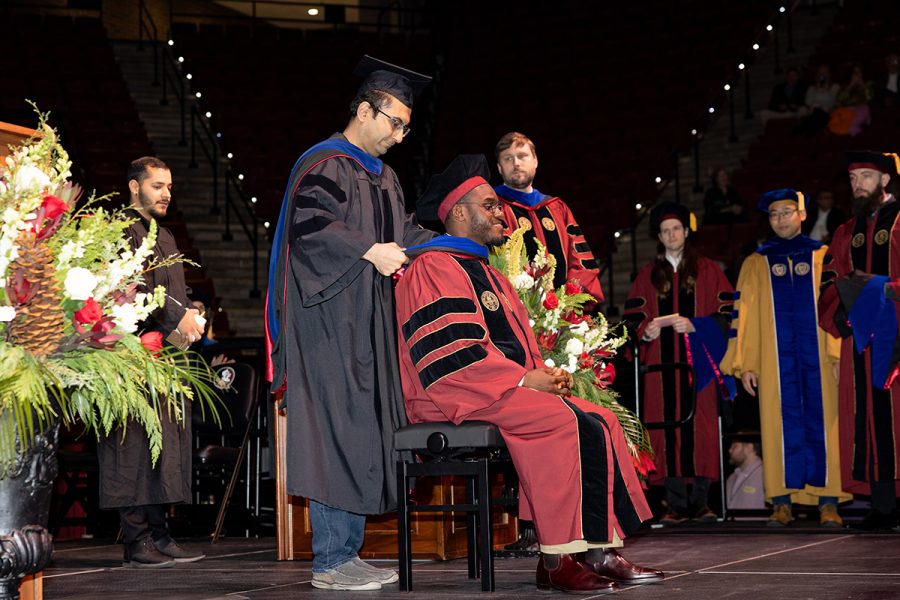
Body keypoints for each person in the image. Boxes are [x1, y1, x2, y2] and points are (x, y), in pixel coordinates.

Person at [396, 155, 663, 594]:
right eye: (489, 205)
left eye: (498, 206)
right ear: (458, 212)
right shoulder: (433, 266)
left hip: (494, 389)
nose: (500, 211)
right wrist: (523, 380)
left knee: (603, 419)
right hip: (453, 393)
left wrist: (542, 374)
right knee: (562, 421)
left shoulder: (486, 271)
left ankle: (598, 548)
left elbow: (516, 346)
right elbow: (450, 354)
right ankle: (556, 557)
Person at [264, 56, 436, 591]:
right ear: (366, 109)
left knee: (361, 434)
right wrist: (368, 250)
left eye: (407, 126)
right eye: (395, 122)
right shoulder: (325, 165)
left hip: (365, 324)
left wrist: (453, 245)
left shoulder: (384, 177)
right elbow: (311, 230)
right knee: (333, 432)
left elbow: (406, 232)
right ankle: (329, 561)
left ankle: (348, 553)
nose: (400, 136)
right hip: (327, 324)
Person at [97, 157, 207, 568]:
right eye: (157, 186)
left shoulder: (166, 235)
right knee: (133, 448)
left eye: (169, 187)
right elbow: (133, 290)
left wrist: (192, 312)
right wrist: (178, 318)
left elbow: (176, 290)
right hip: (130, 352)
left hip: (164, 354)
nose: (166, 194)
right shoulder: (120, 231)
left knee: (161, 445)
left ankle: (159, 533)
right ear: (133, 186)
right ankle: (136, 538)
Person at [721, 188, 850, 527]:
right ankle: (781, 502)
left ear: (802, 215)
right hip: (774, 363)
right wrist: (746, 363)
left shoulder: (823, 257)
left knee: (825, 428)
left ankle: (828, 503)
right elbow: (744, 317)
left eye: (787, 212)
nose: (780, 219)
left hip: (819, 360)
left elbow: (834, 309)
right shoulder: (757, 262)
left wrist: (837, 355)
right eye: (774, 214)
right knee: (777, 428)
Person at [624, 202, 735, 524]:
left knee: (699, 428)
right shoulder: (647, 274)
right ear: (659, 236)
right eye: (665, 230)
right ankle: (674, 504)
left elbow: (728, 312)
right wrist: (646, 331)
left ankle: (701, 503)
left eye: (676, 228)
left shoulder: (709, 270)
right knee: (665, 427)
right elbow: (632, 320)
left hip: (697, 362)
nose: (671, 234)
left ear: (686, 232)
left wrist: (698, 324)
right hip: (660, 367)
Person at [818, 151, 900, 530]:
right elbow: (831, 283)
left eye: (866, 176)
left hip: (896, 336)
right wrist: (845, 314)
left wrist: (882, 291)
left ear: (884, 181)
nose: (858, 184)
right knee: (868, 419)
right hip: (861, 342)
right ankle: (882, 507)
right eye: (853, 179)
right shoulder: (844, 232)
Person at [493, 132, 604, 304]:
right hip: (517, 310)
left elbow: (580, 261)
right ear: (499, 167)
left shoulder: (557, 208)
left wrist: (568, 302)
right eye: (508, 158)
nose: (516, 163)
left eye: (522, 156)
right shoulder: (493, 208)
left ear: (535, 161)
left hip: (562, 315)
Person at [724, 431, 765, 510]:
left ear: (748, 448)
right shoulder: (731, 478)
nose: (730, 450)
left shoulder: (765, 475)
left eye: (734, 446)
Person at [795, 65, 839, 136]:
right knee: (813, 111)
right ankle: (810, 130)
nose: (823, 75)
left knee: (821, 111)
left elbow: (832, 102)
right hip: (813, 110)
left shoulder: (834, 87)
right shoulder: (812, 88)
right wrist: (817, 90)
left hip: (826, 111)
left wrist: (826, 90)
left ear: (829, 74)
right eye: (820, 73)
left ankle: (805, 127)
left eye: (825, 73)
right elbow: (807, 102)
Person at [828, 65, 873, 137]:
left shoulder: (867, 85)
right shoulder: (845, 86)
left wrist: (862, 86)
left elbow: (869, 99)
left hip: (861, 110)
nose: (857, 75)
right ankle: (851, 128)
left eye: (859, 72)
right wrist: (850, 85)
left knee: (865, 108)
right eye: (855, 73)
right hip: (847, 111)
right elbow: (840, 99)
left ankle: (854, 126)